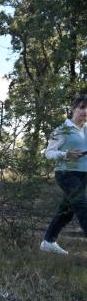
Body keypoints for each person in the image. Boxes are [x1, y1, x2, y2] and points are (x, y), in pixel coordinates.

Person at [40, 94, 87, 255]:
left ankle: (48, 242)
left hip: (83, 175)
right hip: (66, 173)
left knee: (67, 211)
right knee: (82, 206)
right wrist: (66, 154)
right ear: (72, 109)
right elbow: (48, 153)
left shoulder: (86, 129)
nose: (85, 111)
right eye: (82, 107)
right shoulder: (62, 129)